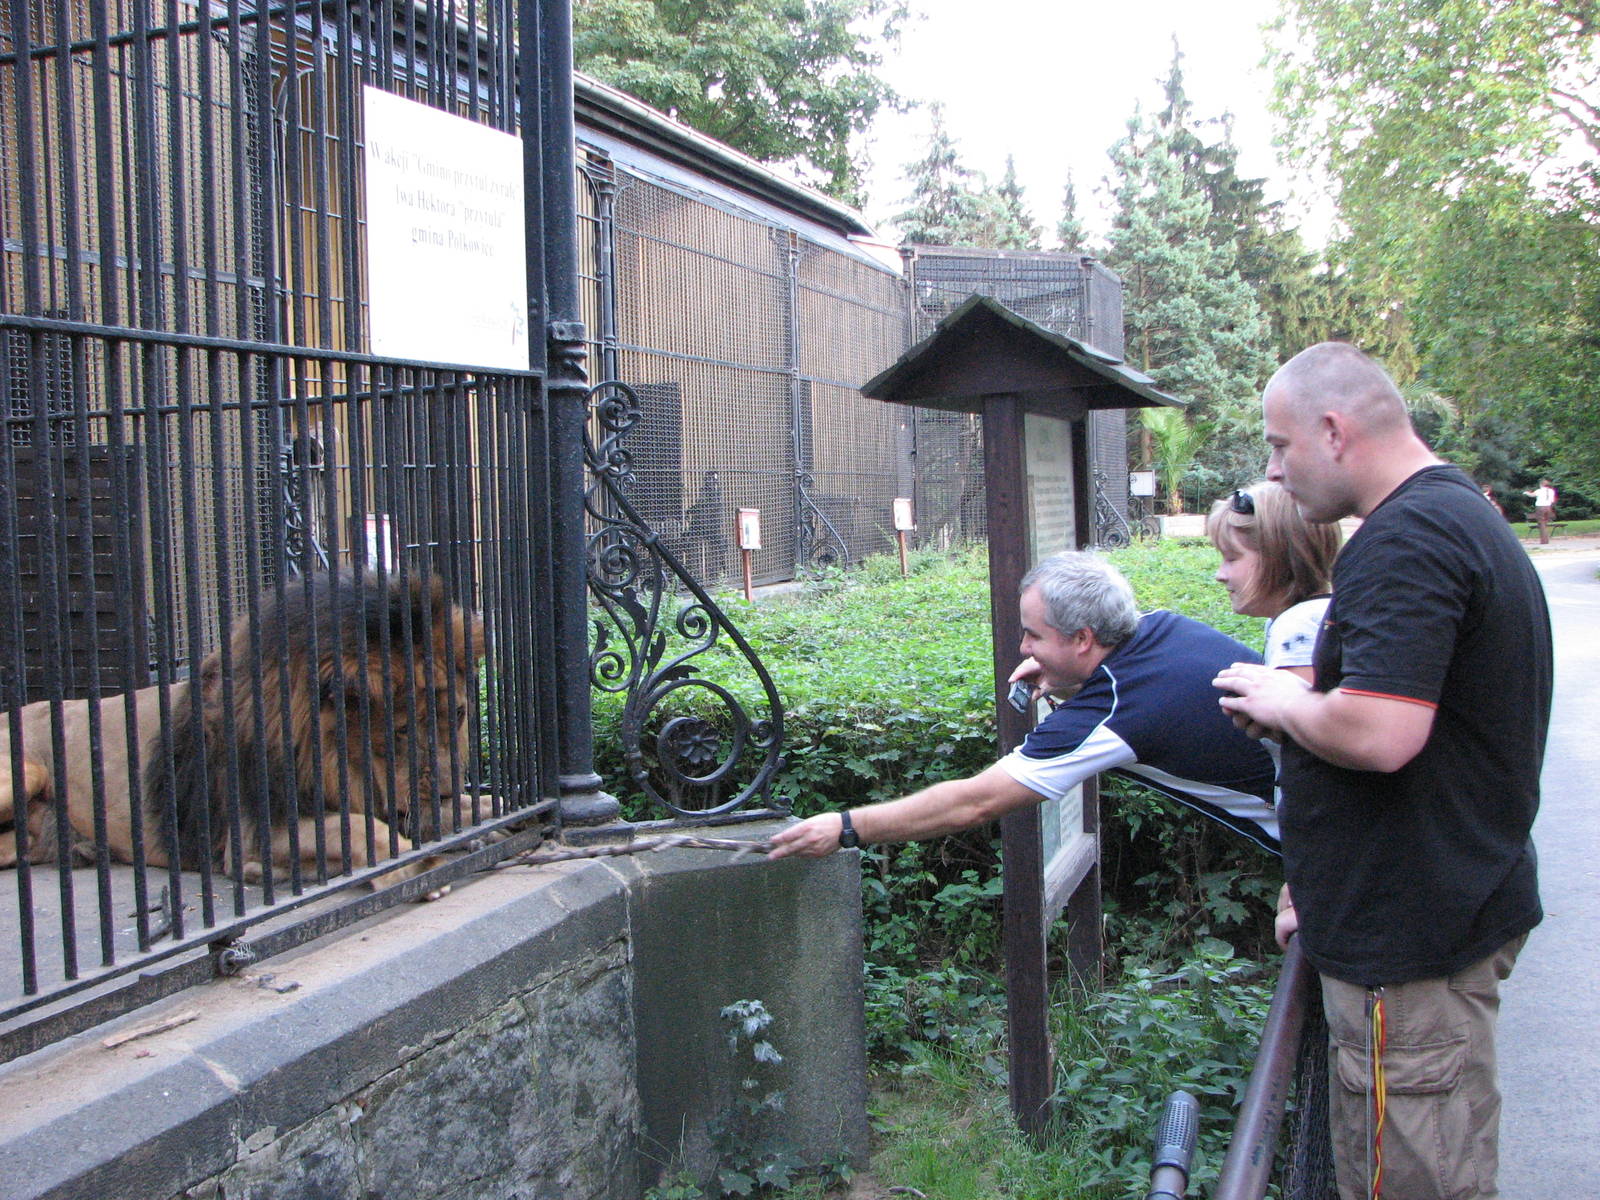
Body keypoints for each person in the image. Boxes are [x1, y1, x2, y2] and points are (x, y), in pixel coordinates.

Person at [1214, 342, 1552, 1200]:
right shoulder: (1453, 514)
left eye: (1281, 445)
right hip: (1439, 915)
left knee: (1406, 1179)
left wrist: (1284, 703)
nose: (1273, 469)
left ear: (1334, 431)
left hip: (1410, 946)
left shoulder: (1407, 537)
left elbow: (1382, 732)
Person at [768, 551, 1281, 865]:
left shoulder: (1110, 712)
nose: (1023, 648)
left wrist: (846, 827)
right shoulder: (1164, 627)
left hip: (1331, 844)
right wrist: (1071, 678)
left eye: (1034, 635)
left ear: (1082, 637)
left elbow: (975, 802)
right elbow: (1152, 699)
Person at [1206, 479, 1342, 944]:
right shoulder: (1312, 614)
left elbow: (1321, 760)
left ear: (1281, 557)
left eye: (1232, 558)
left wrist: (1316, 884)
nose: (1221, 575)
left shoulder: (1296, 624)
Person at [1525, 477, 1556, 544]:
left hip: (1540, 508)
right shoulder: (1551, 491)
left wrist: (1526, 493)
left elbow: (1532, 495)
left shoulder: (1539, 491)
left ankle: (1544, 541)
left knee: (1541, 523)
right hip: (1548, 507)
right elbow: (1552, 500)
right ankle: (1546, 539)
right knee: (1545, 523)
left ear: (1541, 485)